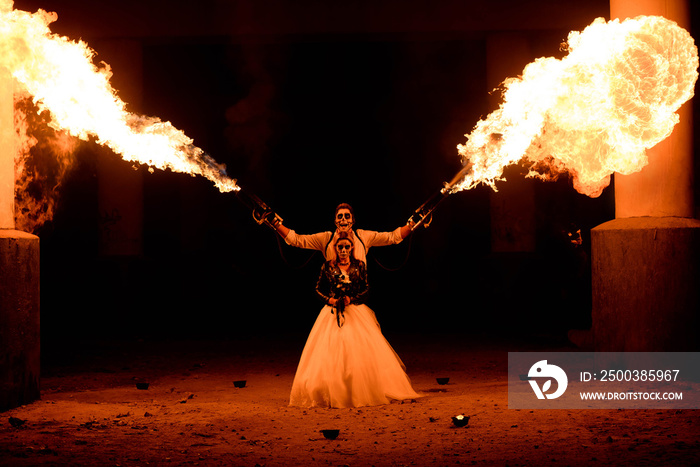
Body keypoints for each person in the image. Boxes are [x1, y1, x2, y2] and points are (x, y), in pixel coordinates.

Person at [289, 232, 421, 408]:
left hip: (354, 311)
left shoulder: (359, 266)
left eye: (346, 247)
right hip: (332, 312)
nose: (343, 250)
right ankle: (331, 389)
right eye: (340, 247)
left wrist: (351, 299)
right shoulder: (328, 266)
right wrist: (331, 300)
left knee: (359, 351)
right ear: (335, 249)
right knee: (330, 352)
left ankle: (360, 388)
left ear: (351, 248)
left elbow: (366, 290)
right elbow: (317, 288)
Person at [275, 203, 414, 264]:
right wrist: (275, 223)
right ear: (335, 221)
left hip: (357, 298)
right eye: (340, 216)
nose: (343, 220)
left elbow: (392, 237)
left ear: (353, 220)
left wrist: (412, 225)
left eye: (347, 216)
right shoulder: (326, 238)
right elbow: (297, 240)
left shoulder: (363, 236)